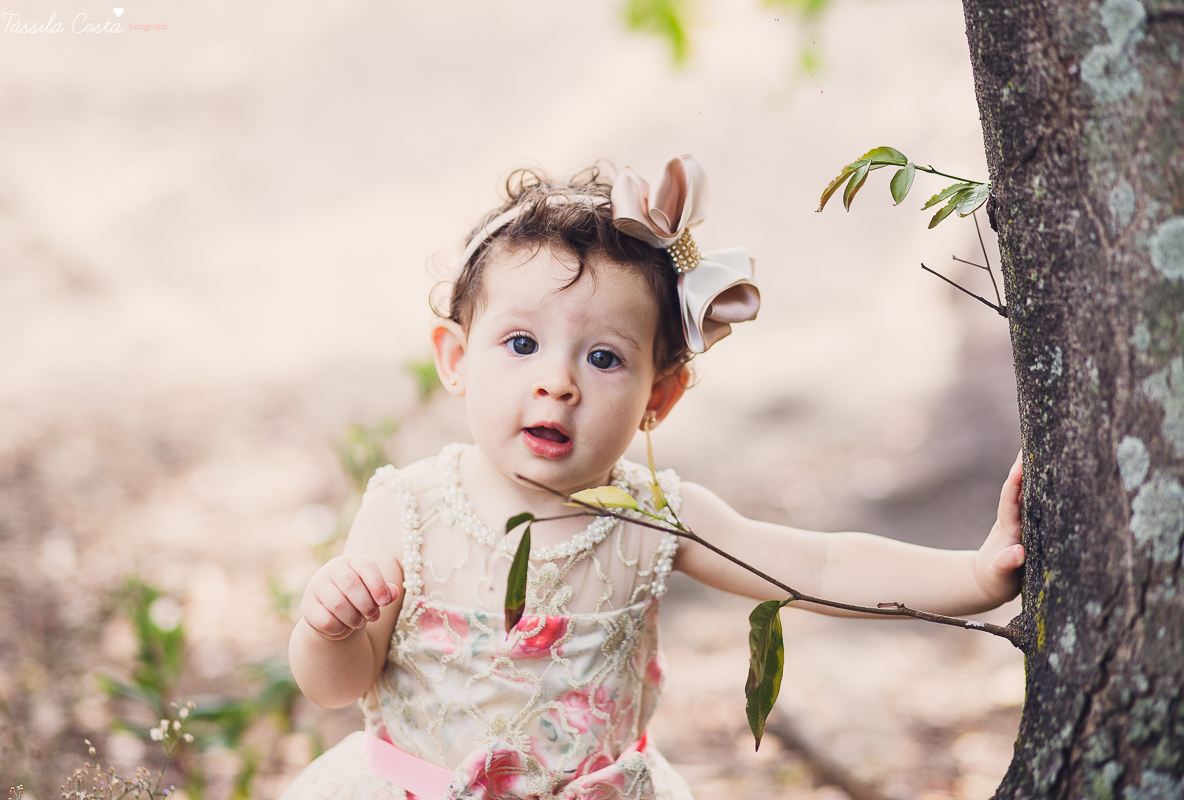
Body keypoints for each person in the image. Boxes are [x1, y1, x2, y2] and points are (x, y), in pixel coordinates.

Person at [281, 156, 1025, 800]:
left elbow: (819, 564)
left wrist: (975, 575)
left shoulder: (654, 516)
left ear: (658, 398)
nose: (558, 383)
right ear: (455, 359)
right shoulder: (408, 509)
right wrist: (328, 628)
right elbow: (339, 685)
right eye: (520, 343)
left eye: (603, 358)